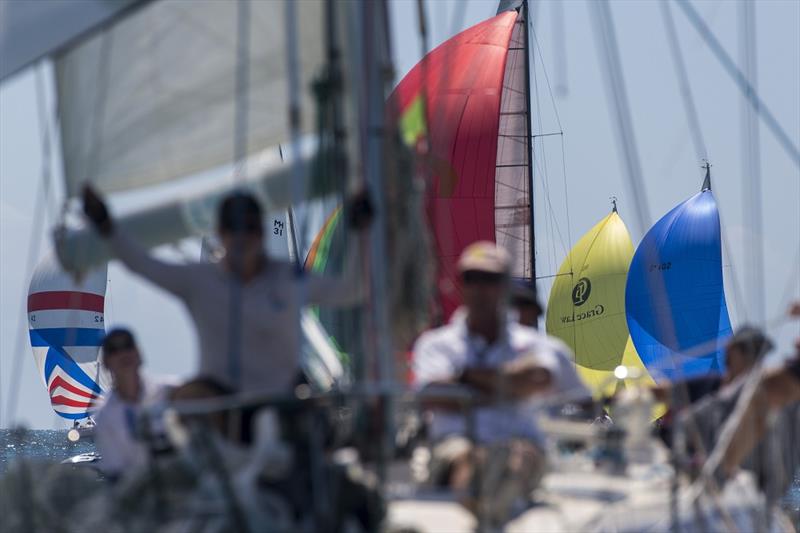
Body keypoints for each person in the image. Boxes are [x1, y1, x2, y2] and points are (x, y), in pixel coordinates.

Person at [82, 186, 371, 395]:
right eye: (233, 229)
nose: (242, 237)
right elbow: (143, 265)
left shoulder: (287, 279)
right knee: (184, 399)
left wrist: (361, 233)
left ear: (261, 233)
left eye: (250, 228)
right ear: (221, 233)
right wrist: (107, 226)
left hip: (286, 403)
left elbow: (353, 289)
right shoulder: (198, 281)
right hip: (221, 407)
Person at [412, 241, 589, 526]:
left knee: (518, 455)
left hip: (520, 443)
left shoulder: (536, 344)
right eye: (472, 279)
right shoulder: (435, 345)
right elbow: (433, 396)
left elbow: (539, 380)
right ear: (461, 284)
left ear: (505, 287)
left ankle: (485, 502)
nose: (480, 289)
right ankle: (485, 503)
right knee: (466, 458)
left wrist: (464, 379)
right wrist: (511, 385)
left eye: (490, 280)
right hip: (456, 444)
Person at [93, 328, 174, 479]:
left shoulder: (170, 392)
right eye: (114, 350)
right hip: (143, 494)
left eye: (127, 346)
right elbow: (116, 476)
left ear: (139, 353)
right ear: (105, 363)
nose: (123, 353)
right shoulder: (104, 419)